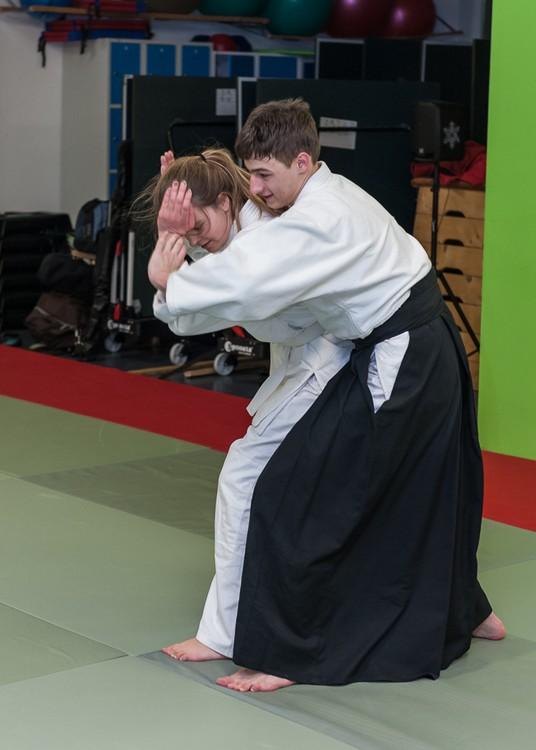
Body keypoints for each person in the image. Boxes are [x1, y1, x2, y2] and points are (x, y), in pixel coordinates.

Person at [148, 99, 505, 693]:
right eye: (250, 175)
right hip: (407, 348)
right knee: (417, 487)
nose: (257, 188)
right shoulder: (298, 204)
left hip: (398, 356)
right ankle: (466, 609)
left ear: (302, 162)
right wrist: (179, 242)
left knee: (316, 497)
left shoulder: (314, 220)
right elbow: (240, 267)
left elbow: (248, 275)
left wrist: (170, 280)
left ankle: (285, 646)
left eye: (264, 175)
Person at [146, 147, 353, 663]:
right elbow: (198, 302)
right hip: (310, 361)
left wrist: (167, 264)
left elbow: (205, 304)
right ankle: (461, 606)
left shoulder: (263, 240)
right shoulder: (240, 234)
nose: (196, 240)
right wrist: (177, 240)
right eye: (189, 234)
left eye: (198, 227)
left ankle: (223, 633)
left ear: (225, 202)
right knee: (345, 491)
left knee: (244, 478)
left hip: (330, 361)